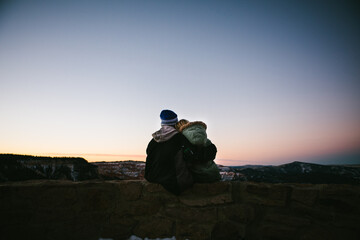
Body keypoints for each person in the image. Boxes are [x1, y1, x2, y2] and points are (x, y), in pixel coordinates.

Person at [145, 110, 194, 195]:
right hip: (174, 182)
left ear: (162, 123)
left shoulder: (154, 139)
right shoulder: (180, 138)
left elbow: (148, 152)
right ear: (175, 123)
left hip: (152, 177)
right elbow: (191, 156)